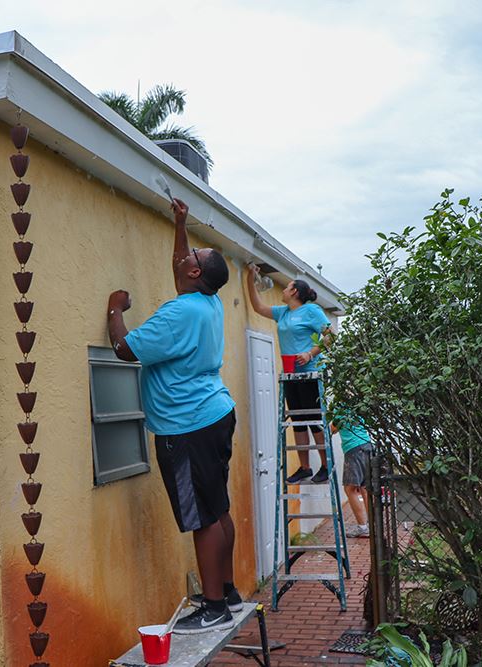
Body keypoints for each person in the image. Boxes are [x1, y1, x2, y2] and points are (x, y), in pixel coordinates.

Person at [106, 198, 240, 634]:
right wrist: (179, 224)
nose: (186, 256)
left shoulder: (179, 312)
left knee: (201, 518)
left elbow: (125, 351)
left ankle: (214, 606)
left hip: (187, 426)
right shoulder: (207, 303)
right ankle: (229, 590)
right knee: (218, 507)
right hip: (215, 413)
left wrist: (115, 309)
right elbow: (179, 265)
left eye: (193, 257)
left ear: (196, 273)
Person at [244, 265, 332, 484]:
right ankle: (305, 467)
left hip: (310, 374)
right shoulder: (282, 312)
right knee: (299, 422)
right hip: (290, 374)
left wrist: (310, 354)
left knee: (314, 421)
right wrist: (249, 279)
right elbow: (258, 307)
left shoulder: (311, 311)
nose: (283, 290)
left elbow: (331, 336)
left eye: (287, 287)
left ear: (295, 292)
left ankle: (325, 464)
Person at [330, 407, 373, 537]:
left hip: (353, 449)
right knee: (365, 488)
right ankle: (373, 526)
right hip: (367, 444)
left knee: (350, 489)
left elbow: (332, 429)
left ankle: (362, 527)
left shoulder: (340, 410)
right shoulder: (356, 407)